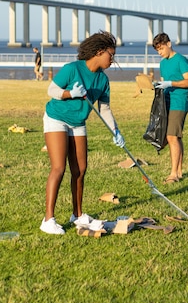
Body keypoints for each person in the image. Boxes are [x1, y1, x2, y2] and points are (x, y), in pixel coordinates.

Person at [40, 31, 125, 235]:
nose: (112, 60)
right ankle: (48, 219)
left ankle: (77, 215)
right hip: (57, 118)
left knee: (80, 169)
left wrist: (115, 131)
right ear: (98, 52)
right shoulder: (72, 69)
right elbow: (51, 90)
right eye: (110, 56)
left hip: (78, 122)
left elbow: (104, 109)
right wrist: (70, 94)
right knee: (59, 168)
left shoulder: (103, 81)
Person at [152, 33, 188, 184]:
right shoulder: (163, 63)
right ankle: (179, 171)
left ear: (169, 44)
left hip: (179, 102)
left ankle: (173, 174)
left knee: (171, 137)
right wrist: (158, 86)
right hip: (166, 102)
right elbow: (165, 82)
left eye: (161, 49)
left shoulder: (181, 60)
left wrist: (171, 83)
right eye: (157, 50)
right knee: (176, 137)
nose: (160, 53)